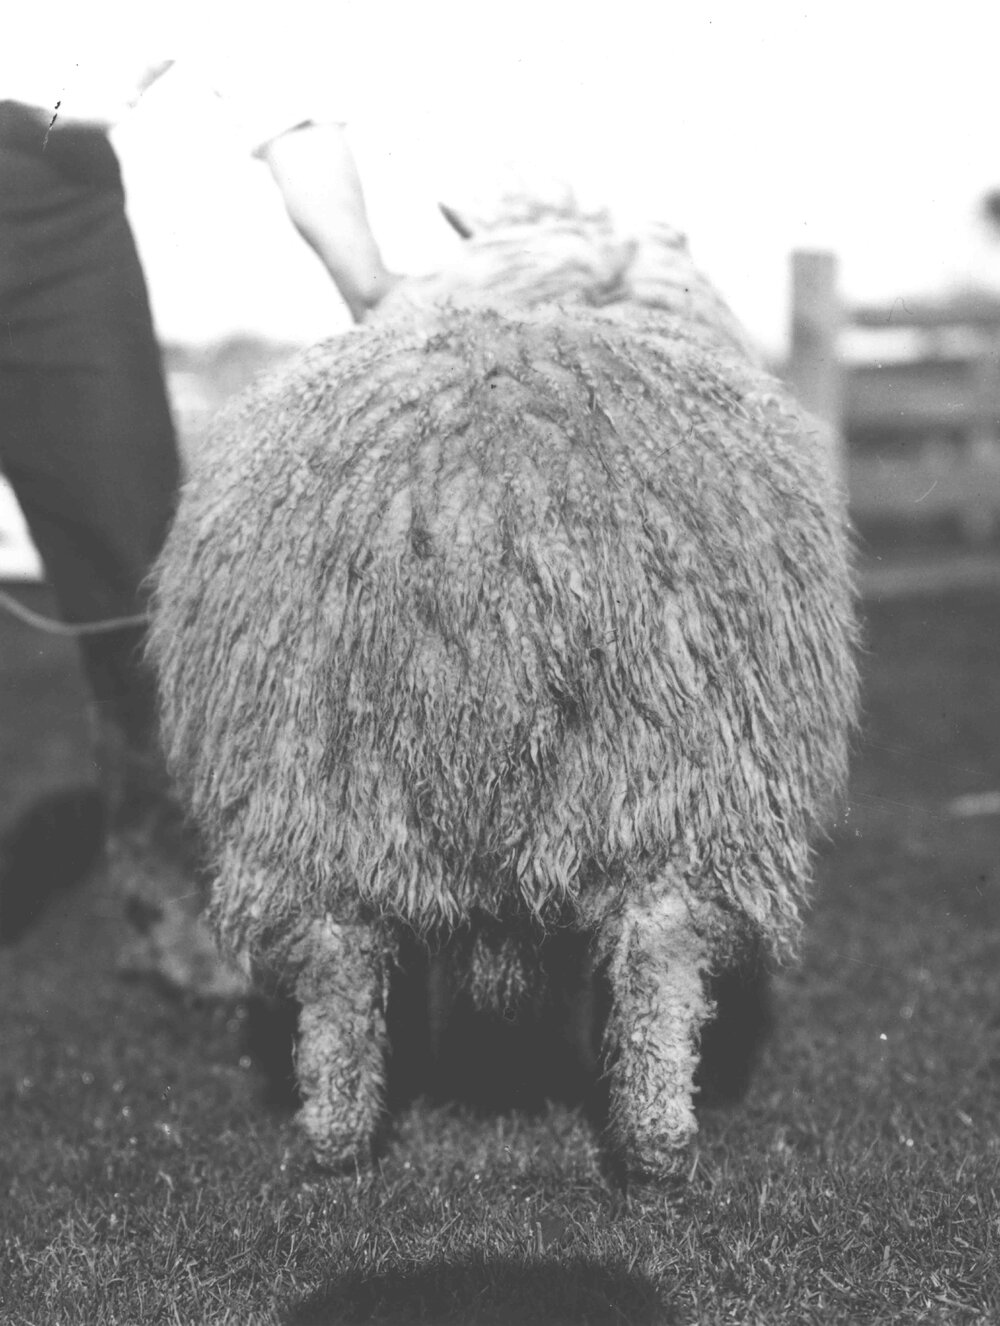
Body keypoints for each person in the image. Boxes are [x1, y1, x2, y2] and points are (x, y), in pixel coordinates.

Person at [0, 42, 400, 994]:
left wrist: (376, 291)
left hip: (54, 200)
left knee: (138, 569)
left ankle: (173, 906)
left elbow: (284, 93)